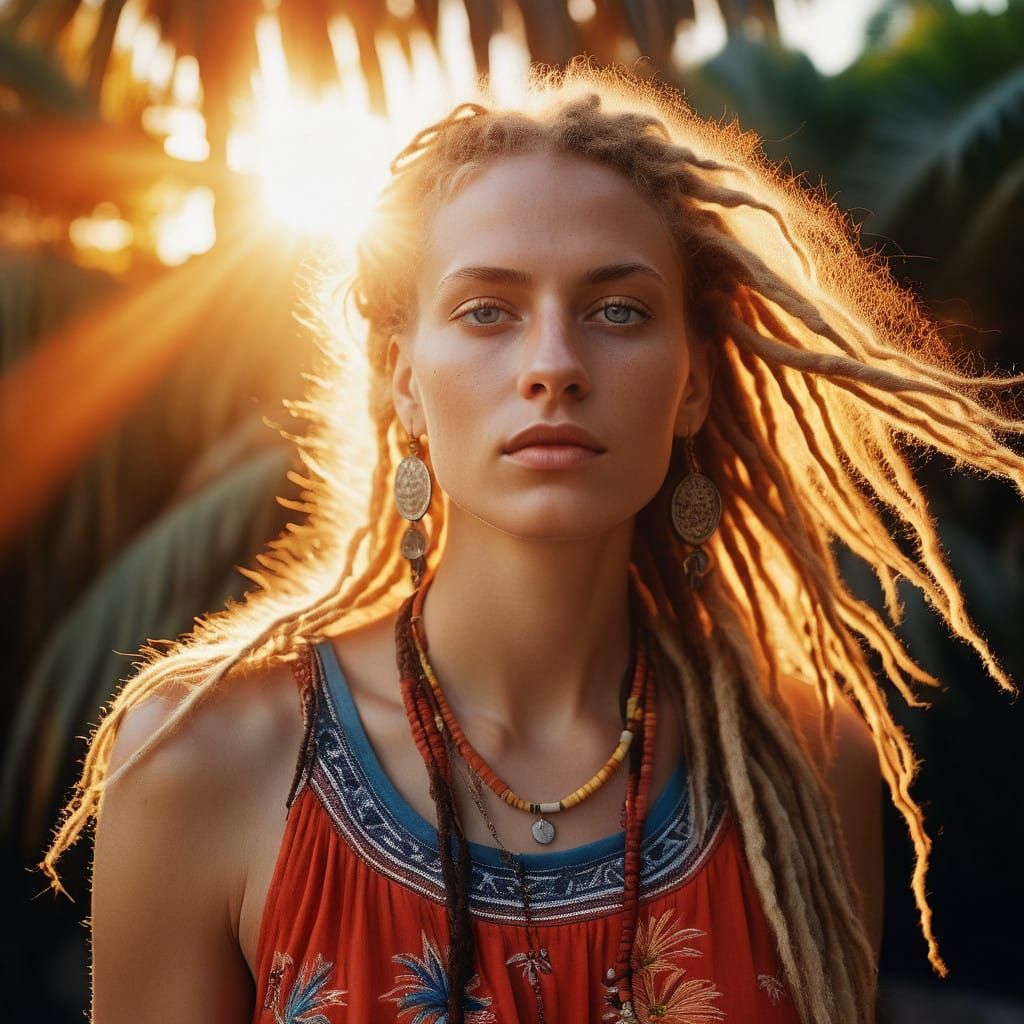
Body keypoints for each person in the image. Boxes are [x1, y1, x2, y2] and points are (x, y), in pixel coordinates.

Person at [40, 59, 1023, 1024]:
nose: (553, 364)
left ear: (691, 383)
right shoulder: (204, 754)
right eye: (487, 311)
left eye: (617, 310)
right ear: (402, 377)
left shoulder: (803, 767)